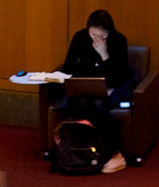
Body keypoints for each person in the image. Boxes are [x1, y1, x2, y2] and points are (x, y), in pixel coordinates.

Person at [53, 9, 140, 165]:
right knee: (83, 103)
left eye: (102, 36)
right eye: (93, 35)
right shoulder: (80, 38)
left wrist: (104, 55)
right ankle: (76, 150)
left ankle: (115, 154)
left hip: (111, 89)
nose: (97, 39)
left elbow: (118, 76)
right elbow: (68, 68)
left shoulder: (119, 40)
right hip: (83, 90)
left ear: (109, 33)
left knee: (98, 104)